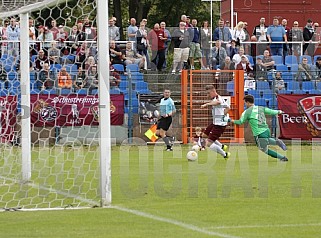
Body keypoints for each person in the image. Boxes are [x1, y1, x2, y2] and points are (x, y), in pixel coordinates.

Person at [223, 94, 288, 162]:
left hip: (259, 132)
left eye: (245, 102)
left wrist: (229, 120)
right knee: (267, 140)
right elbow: (271, 111)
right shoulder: (261, 108)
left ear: (248, 102)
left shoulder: (247, 112)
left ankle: (282, 157)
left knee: (264, 149)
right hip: (266, 130)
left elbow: (240, 122)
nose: (245, 104)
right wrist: (279, 111)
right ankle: (277, 142)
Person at [200, 85, 230, 159]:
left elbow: (218, 102)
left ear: (213, 91)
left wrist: (207, 104)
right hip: (215, 123)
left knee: (209, 144)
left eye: (208, 93)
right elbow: (228, 107)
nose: (207, 95)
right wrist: (223, 115)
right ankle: (221, 146)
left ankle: (225, 154)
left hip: (219, 125)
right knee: (204, 135)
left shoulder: (218, 98)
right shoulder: (215, 98)